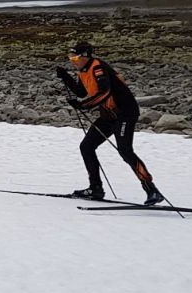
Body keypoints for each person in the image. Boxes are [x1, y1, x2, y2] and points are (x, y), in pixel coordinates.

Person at [56, 40, 165, 204]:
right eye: (70, 58)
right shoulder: (83, 70)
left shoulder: (98, 68)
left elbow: (104, 92)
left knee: (125, 151)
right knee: (86, 147)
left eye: (75, 58)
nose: (73, 62)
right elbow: (80, 92)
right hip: (108, 115)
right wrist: (66, 77)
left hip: (125, 114)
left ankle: (152, 190)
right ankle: (95, 189)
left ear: (85, 56)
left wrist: (84, 106)